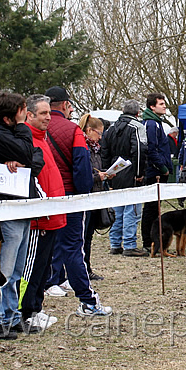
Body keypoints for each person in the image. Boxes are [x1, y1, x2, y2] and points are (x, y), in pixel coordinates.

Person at [43, 86, 111, 317]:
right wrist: (84, 192)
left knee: (38, 249)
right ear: (64, 105)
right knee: (73, 248)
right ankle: (87, 301)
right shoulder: (73, 131)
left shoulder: (30, 128)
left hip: (39, 197)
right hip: (70, 196)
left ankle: (31, 305)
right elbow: (81, 169)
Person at [0, 92, 44, 340]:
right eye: (22, 111)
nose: (25, 115)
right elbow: (28, 153)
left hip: (23, 206)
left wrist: (24, 158)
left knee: (17, 269)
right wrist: (22, 133)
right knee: (2, 270)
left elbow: (35, 158)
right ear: (11, 116)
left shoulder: (13, 132)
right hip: (8, 208)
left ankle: (10, 316)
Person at [19, 94, 66, 330]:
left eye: (49, 112)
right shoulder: (27, 141)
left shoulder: (43, 139)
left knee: (43, 267)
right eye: (43, 113)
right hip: (39, 219)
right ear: (29, 115)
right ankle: (25, 312)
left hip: (52, 216)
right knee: (32, 268)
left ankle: (36, 308)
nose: (48, 117)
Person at [101, 99, 148, 257]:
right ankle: (129, 244)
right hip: (131, 170)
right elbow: (140, 150)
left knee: (117, 208)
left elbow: (104, 152)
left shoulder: (111, 128)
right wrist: (139, 173)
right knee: (132, 209)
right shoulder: (137, 127)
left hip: (114, 171)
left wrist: (106, 173)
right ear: (137, 112)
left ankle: (115, 243)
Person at [78, 114, 112, 280]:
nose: (100, 137)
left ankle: (87, 267)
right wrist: (98, 177)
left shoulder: (96, 149)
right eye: (99, 133)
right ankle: (81, 269)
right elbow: (82, 174)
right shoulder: (83, 148)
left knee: (89, 235)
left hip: (96, 195)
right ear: (89, 130)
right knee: (83, 236)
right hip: (86, 195)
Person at [140, 93, 172, 254]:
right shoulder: (151, 124)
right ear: (152, 107)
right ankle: (148, 240)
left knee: (156, 207)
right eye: (161, 103)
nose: (164, 106)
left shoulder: (158, 123)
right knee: (151, 208)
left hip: (159, 170)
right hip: (155, 172)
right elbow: (152, 150)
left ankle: (154, 240)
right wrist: (163, 168)